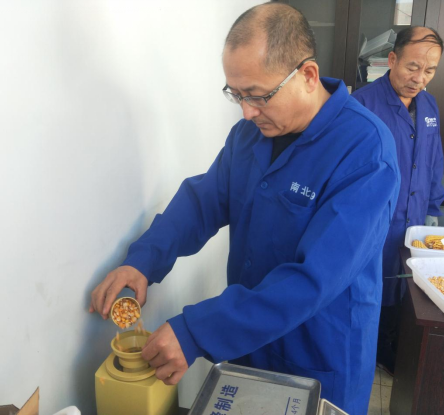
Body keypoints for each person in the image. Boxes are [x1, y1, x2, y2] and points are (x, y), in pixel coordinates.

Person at [90, 3, 400, 413]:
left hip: (318, 351)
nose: (247, 111)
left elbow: (313, 278)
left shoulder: (366, 151)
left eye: (258, 95)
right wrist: (143, 260)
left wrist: (196, 331)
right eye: (235, 95)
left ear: (307, 75)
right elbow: (203, 202)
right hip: (247, 344)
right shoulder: (249, 136)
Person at [352, 26, 444, 375]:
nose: (420, 78)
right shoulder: (362, 104)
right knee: (370, 286)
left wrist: (433, 208)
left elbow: (433, 160)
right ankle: (368, 348)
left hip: (414, 219)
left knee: (404, 287)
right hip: (374, 220)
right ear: (392, 59)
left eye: (430, 70)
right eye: (412, 67)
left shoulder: (429, 105)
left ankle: (389, 344)